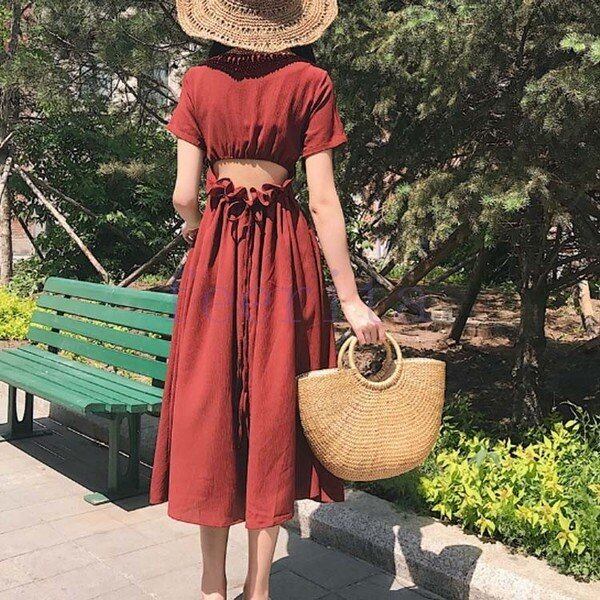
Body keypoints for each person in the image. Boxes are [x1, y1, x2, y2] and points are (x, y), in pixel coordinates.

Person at [149, 1, 385, 598]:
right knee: (274, 406)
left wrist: (196, 230)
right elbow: (324, 201)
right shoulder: (311, 82)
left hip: (217, 259)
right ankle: (259, 588)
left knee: (210, 404)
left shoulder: (198, 82)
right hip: (284, 256)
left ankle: (211, 584)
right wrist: (352, 301)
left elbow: (183, 195)